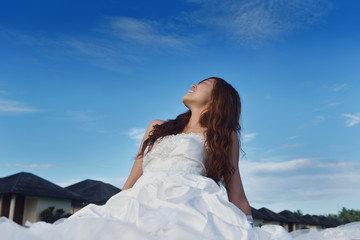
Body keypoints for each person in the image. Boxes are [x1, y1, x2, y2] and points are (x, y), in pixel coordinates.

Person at [1, 77, 358, 240]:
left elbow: (237, 194)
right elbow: (131, 180)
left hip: (192, 205)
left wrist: (245, 229)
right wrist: (113, 207)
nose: (193, 84)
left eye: (203, 83)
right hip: (140, 202)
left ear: (217, 99)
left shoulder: (224, 137)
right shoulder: (157, 126)